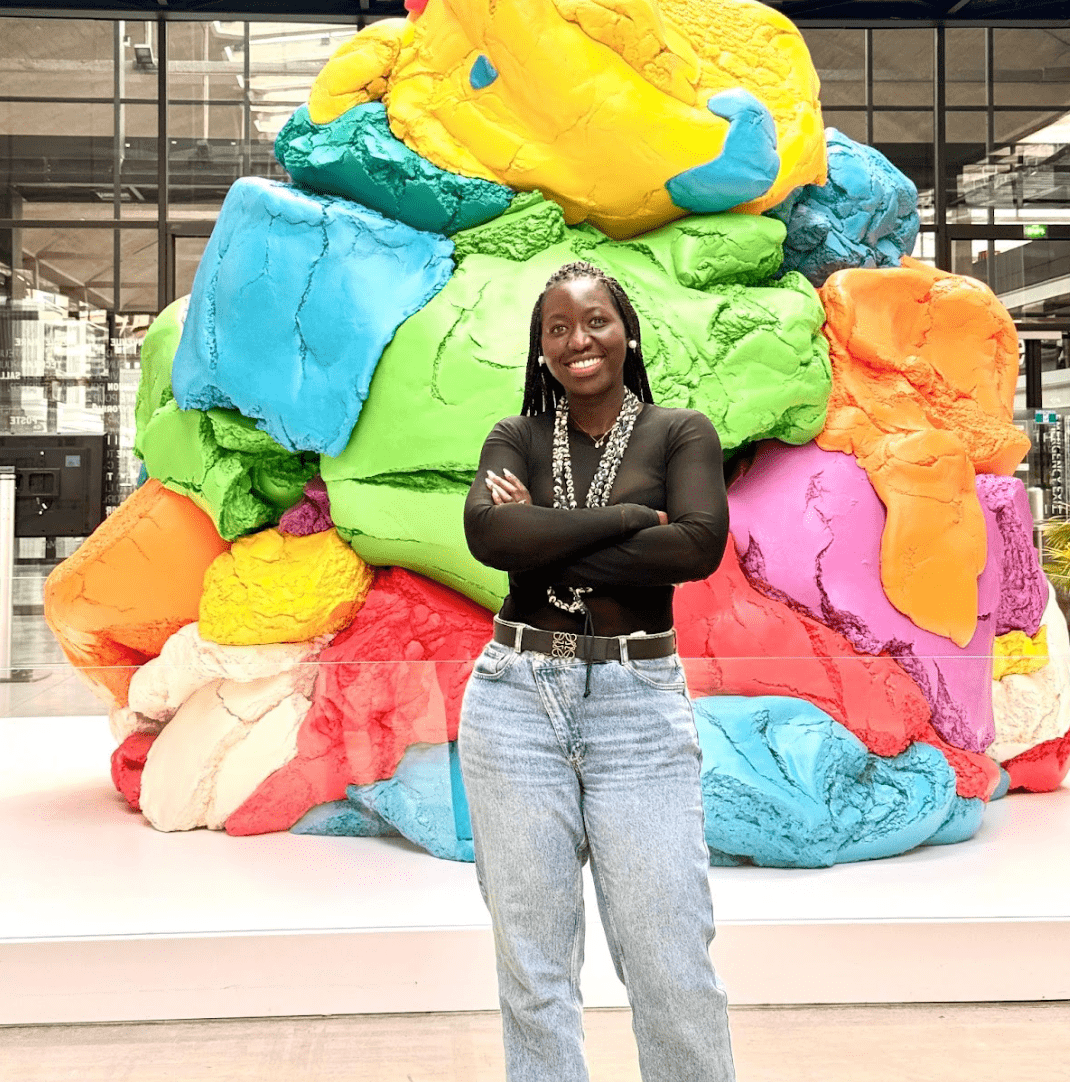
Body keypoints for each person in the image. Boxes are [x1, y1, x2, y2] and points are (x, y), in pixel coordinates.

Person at [460, 261, 735, 1082]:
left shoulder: (681, 432)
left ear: (628, 331)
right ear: (541, 349)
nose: (577, 339)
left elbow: (695, 548)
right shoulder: (513, 437)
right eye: (557, 328)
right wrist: (622, 520)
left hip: (636, 705)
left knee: (670, 960)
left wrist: (543, 530)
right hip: (516, 699)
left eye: (594, 321)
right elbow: (489, 540)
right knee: (534, 969)